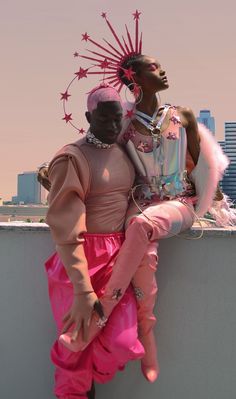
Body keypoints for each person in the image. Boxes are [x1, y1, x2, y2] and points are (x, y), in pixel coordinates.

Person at [56, 53, 229, 383]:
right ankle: (147, 338)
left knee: (141, 226)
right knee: (143, 263)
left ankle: (99, 316)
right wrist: (56, 170)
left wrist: (218, 206)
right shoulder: (123, 125)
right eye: (154, 67)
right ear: (133, 77)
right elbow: (102, 158)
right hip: (140, 204)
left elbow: (202, 165)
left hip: (179, 205)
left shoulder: (183, 116)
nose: (163, 71)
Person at [45, 85, 145, 399]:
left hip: (118, 258)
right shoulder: (71, 157)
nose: (114, 126)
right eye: (105, 120)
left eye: (118, 119)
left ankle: (89, 381)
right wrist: (82, 289)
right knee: (75, 352)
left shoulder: (124, 149)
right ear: (89, 117)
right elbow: (65, 226)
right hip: (80, 262)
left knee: (120, 343)